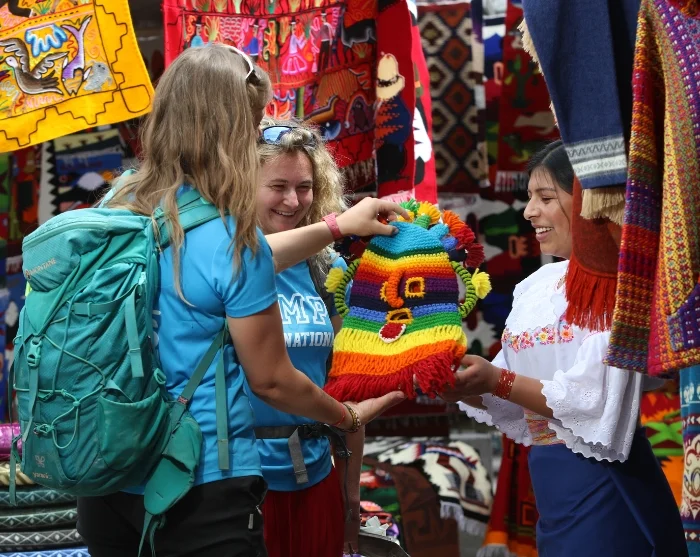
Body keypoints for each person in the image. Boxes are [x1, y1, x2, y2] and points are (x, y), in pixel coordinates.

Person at [76, 43, 407, 557]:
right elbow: (271, 380)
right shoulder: (232, 241)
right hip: (199, 482)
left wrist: (335, 227)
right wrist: (346, 417)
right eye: (252, 124)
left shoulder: (119, 206)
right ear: (230, 130)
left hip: (110, 473)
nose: (255, 137)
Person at [441, 141, 687, 557]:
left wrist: (495, 380)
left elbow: (591, 398)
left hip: (608, 483)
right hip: (551, 485)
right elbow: (507, 392)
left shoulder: (619, 285)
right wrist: (459, 385)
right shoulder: (534, 287)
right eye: (529, 198)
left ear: (589, 202)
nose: (529, 211)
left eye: (546, 197)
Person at [248, 118, 359, 557]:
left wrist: (350, 491)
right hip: (242, 481)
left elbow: (346, 385)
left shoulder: (325, 267)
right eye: (278, 186)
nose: (293, 201)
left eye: (305, 187)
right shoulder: (220, 263)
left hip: (316, 476)